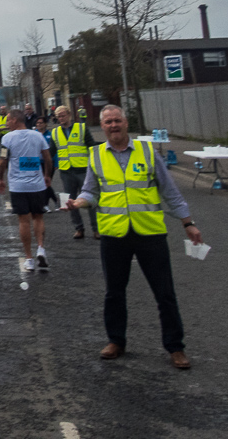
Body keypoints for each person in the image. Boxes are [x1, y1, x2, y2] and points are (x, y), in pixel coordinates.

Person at [68, 105, 202, 369]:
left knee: (165, 293)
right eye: (108, 122)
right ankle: (116, 341)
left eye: (117, 121)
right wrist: (78, 203)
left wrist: (188, 223)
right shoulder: (95, 155)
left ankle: (175, 348)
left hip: (149, 233)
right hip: (114, 234)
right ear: (102, 126)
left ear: (125, 123)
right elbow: (90, 192)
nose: (113, 125)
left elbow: (170, 192)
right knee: (114, 293)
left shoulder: (148, 152)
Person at [0, 109, 53, 271]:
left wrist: (1, 179)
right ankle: (41, 248)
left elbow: (2, 161)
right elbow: (47, 158)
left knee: (23, 220)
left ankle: (29, 258)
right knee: (38, 217)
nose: (6, 123)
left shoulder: (7, 138)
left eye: (8, 120)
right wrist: (47, 175)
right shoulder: (37, 135)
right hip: (37, 185)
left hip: (18, 186)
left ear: (15, 120)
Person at [50, 105, 99, 239]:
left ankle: (96, 229)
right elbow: (51, 152)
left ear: (69, 115)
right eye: (58, 116)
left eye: (63, 115)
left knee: (89, 200)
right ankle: (79, 229)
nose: (61, 118)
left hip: (83, 171)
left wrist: (96, 167)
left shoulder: (81, 128)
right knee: (69, 202)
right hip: (66, 172)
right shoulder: (55, 133)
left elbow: (92, 147)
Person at [35, 117, 61, 210]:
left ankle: (46, 204)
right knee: (43, 183)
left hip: (49, 163)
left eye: (41, 123)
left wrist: (56, 163)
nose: (39, 124)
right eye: (37, 123)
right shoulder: (34, 135)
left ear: (45, 124)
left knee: (46, 183)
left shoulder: (50, 135)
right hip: (38, 163)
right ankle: (53, 202)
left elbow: (55, 150)